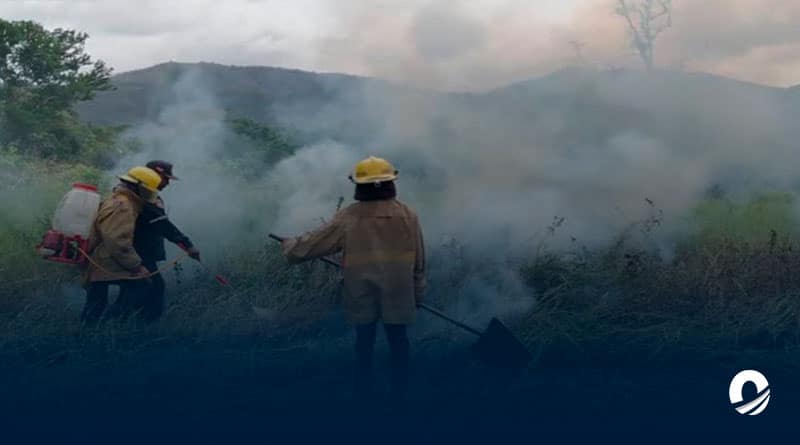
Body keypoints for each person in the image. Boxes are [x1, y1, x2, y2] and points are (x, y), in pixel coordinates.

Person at [281, 156, 426, 399]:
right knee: (398, 340)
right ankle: (401, 393)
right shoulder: (408, 215)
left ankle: (363, 392)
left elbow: (315, 242)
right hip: (398, 289)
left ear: (360, 186)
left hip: (361, 288)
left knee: (364, 340)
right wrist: (418, 292)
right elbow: (420, 260)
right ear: (391, 183)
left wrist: (291, 246)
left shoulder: (350, 216)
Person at [81, 166, 162, 326]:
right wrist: (137, 266)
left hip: (100, 258)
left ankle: (87, 333)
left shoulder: (116, 200)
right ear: (140, 188)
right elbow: (117, 240)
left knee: (96, 301)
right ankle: (112, 326)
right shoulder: (124, 206)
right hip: (110, 260)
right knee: (140, 287)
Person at [131, 160, 200, 323]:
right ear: (154, 175)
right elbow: (163, 224)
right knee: (153, 288)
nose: (168, 183)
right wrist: (188, 245)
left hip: (138, 253)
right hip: (137, 254)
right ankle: (145, 329)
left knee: (139, 290)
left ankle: (132, 326)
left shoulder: (145, 194)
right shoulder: (144, 197)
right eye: (165, 178)